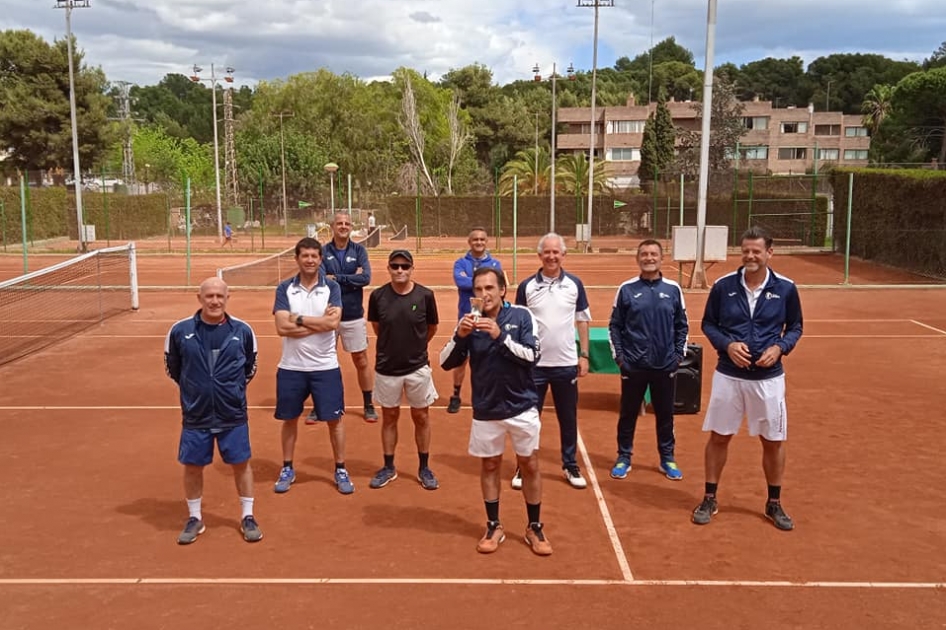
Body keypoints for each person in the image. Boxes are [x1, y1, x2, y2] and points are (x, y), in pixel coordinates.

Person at [692, 226, 803, 531]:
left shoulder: (786, 288)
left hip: (768, 380)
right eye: (745, 251)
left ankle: (774, 502)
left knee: (773, 440)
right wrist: (726, 344)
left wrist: (780, 348)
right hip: (729, 377)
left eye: (756, 251)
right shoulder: (724, 286)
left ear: (770, 252)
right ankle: (710, 497)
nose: (750, 256)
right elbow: (709, 324)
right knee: (719, 436)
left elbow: (795, 327)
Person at [440, 267, 552, 556]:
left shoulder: (522, 316)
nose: (483, 294)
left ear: (502, 290)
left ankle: (534, 527)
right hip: (486, 408)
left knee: (529, 464)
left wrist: (500, 336)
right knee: (489, 465)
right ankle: (494, 525)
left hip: (522, 406)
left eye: (489, 288)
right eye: (478, 290)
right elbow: (445, 362)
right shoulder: (469, 323)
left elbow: (533, 356)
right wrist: (460, 335)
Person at [164, 277, 262, 545]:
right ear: (200, 298)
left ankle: (247, 515)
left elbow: (250, 366)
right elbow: (173, 368)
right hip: (196, 414)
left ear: (227, 298)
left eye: (220, 296)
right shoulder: (179, 331)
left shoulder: (242, 331)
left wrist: (230, 389)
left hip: (232, 413)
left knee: (241, 465)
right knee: (193, 466)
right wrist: (196, 389)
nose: (215, 301)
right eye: (209, 296)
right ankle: (195, 517)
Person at [272, 237, 355, 495]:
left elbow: (332, 325)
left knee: (334, 420)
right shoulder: (284, 288)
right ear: (297, 258)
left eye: (314, 256)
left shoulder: (331, 288)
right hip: (291, 367)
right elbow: (281, 327)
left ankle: (340, 468)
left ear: (321, 259)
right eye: (305, 256)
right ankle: (287, 467)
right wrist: (316, 323)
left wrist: (297, 321)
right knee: (289, 419)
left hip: (325, 367)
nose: (309, 260)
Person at [512, 233, 591, 490]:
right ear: (540, 255)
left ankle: (569, 464)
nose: (551, 256)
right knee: (527, 419)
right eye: (547, 252)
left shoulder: (575, 284)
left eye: (556, 252)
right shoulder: (526, 287)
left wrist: (585, 355)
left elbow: (582, 320)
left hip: (566, 364)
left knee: (568, 418)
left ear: (563, 255)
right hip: (533, 366)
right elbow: (518, 322)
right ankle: (523, 466)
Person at [608, 239, 689, 481]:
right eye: (644, 254)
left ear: (661, 258)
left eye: (654, 254)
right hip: (634, 365)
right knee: (628, 413)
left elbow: (682, 326)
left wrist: (677, 357)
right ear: (638, 259)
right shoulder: (627, 289)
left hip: (665, 365)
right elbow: (615, 326)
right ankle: (624, 456)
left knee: (665, 414)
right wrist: (621, 358)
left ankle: (667, 458)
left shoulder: (673, 289)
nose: (649, 258)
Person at [366, 249, 441, 490]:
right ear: (388, 268)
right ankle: (389, 466)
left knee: (421, 416)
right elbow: (378, 327)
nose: (400, 270)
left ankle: (424, 467)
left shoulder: (425, 296)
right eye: (395, 266)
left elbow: (431, 328)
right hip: (387, 368)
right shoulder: (377, 297)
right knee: (389, 417)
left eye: (404, 266)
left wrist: (415, 348)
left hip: (417, 368)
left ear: (411, 268)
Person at [321, 211, 377, 422]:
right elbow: (320, 279)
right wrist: (350, 278)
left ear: (351, 227)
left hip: (353, 315)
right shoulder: (323, 251)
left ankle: (368, 404)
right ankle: (322, 403)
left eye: (347, 223)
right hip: (328, 314)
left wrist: (337, 277)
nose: (343, 226)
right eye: (339, 223)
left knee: (361, 360)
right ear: (332, 227)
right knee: (324, 361)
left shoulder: (359, 250)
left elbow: (366, 277)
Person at [447, 227, 503, 414]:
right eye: (475, 240)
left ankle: (489, 395)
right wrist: (483, 283)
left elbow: (499, 287)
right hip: (466, 317)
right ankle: (456, 395)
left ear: (486, 242)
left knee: (488, 358)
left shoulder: (495, 263)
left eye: (482, 240)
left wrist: (471, 281)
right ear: (469, 242)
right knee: (461, 360)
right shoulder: (461, 263)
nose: (479, 242)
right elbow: (460, 282)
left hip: (489, 318)